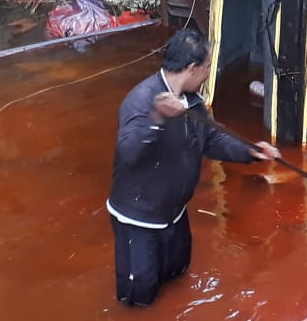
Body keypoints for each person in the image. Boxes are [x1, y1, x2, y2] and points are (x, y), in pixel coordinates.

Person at [107, 28, 280, 306]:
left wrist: (251, 151)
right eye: (208, 67)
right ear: (191, 68)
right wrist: (157, 118)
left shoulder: (193, 101)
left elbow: (211, 138)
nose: (209, 73)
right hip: (139, 218)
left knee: (178, 274)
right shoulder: (141, 101)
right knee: (139, 298)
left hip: (174, 212)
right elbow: (129, 152)